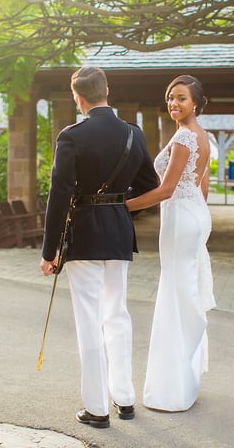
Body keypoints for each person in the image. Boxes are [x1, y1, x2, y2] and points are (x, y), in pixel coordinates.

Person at [39, 66, 159, 429]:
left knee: (89, 321)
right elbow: (149, 185)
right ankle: (124, 399)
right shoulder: (133, 134)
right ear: (107, 89)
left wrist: (49, 250)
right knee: (117, 315)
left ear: (78, 97)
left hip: (84, 236)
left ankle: (97, 408)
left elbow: (59, 194)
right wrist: (119, 204)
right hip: (119, 234)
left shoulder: (71, 136)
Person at [126, 74, 215, 412]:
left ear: (196, 103)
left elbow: (165, 189)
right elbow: (202, 189)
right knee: (182, 290)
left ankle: (172, 389)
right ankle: (183, 381)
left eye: (181, 98)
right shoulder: (202, 137)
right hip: (194, 215)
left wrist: (122, 207)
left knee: (174, 294)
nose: (174, 103)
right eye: (170, 98)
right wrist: (192, 211)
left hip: (179, 218)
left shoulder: (183, 139)